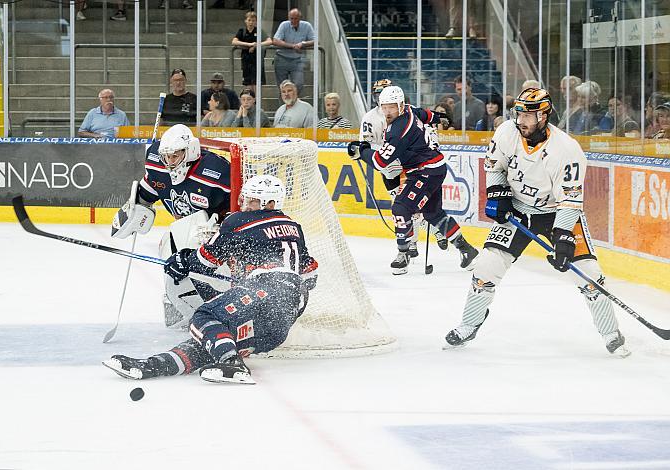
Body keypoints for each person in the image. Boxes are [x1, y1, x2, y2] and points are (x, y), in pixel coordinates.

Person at [444, 87, 629, 357]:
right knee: (486, 268)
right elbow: (494, 167)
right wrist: (498, 194)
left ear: (544, 116)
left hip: (557, 213)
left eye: (528, 116)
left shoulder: (567, 150)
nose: (521, 121)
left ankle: (611, 332)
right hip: (519, 211)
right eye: (518, 114)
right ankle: (469, 324)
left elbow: (570, 200)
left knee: (589, 274)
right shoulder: (507, 132)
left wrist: (564, 236)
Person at [104, 175, 319, 385]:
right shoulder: (294, 227)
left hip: (264, 291)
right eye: (245, 199)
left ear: (270, 203)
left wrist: (181, 259)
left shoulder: (240, 221)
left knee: (205, 315)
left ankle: (233, 365)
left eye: (252, 200)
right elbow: (310, 275)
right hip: (284, 317)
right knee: (211, 342)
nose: (245, 205)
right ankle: (154, 365)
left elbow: (206, 261)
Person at [348, 85, 479, 275]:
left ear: (400, 105)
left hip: (424, 171)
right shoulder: (408, 110)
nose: (387, 112)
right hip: (434, 167)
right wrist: (437, 116)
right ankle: (467, 250)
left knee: (401, 208)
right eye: (384, 107)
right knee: (433, 214)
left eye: (391, 107)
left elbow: (380, 161)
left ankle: (404, 253)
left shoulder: (398, 130)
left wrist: (361, 152)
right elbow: (422, 114)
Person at [110, 124, 231, 329]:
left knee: (201, 268)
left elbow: (239, 209)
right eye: (166, 156)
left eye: (175, 156)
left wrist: (221, 226)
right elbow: (147, 194)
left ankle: (218, 311)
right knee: (169, 248)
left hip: (215, 240)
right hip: (185, 232)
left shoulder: (216, 171)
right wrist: (133, 211)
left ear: (190, 151)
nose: (169, 162)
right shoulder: (158, 166)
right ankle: (182, 304)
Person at [271, 8, 315, 94]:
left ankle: (294, 105)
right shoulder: (284, 25)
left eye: (296, 18)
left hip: (297, 60)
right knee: (282, 88)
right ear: (288, 18)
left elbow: (316, 40)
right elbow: (275, 40)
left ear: (300, 18)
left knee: (298, 84)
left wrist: (303, 44)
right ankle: (284, 107)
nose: (293, 21)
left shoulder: (307, 26)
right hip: (281, 58)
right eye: (291, 18)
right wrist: (292, 46)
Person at [232, 11, 272, 93]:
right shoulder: (242, 31)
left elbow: (269, 41)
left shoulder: (259, 31)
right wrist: (248, 45)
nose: (251, 22)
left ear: (256, 22)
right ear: (245, 21)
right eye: (249, 20)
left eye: (253, 20)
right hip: (246, 62)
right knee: (248, 87)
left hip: (257, 62)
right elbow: (234, 41)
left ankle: (257, 104)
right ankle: (250, 104)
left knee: (257, 86)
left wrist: (256, 45)